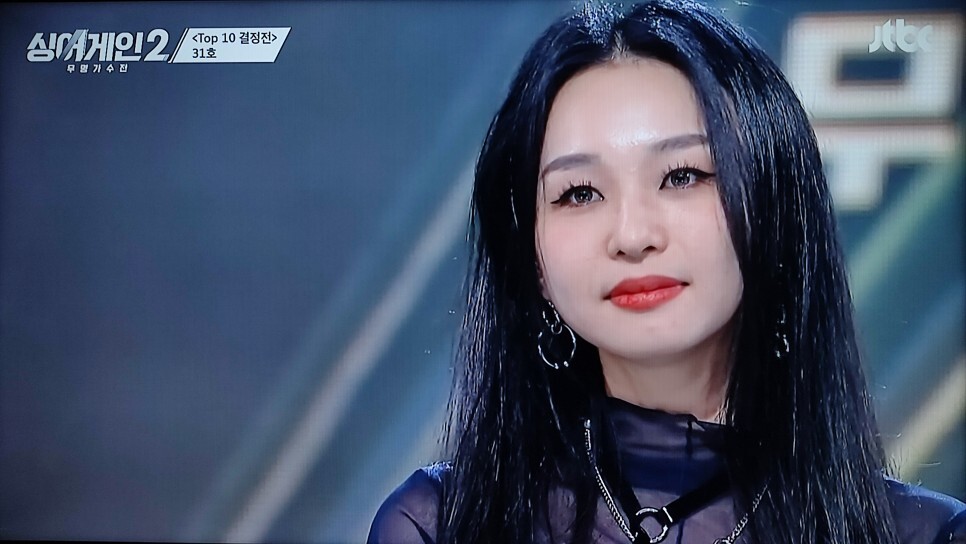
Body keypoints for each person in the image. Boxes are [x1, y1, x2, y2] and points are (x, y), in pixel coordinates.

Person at [367, 1, 966, 543]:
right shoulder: (439, 523)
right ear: (534, 263)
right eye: (579, 193)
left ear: (774, 211)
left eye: (683, 176)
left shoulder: (923, 534)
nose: (632, 236)